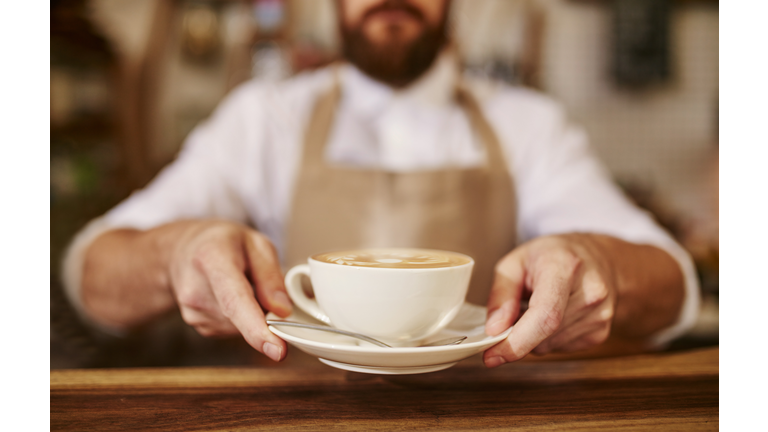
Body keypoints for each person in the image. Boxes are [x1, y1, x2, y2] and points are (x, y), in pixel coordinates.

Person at [63, 0, 699, 367]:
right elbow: (88, 271)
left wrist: (599, 267)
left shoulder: (528, 124)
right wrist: (175, 253)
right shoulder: (263, 118)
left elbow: (674, 285)